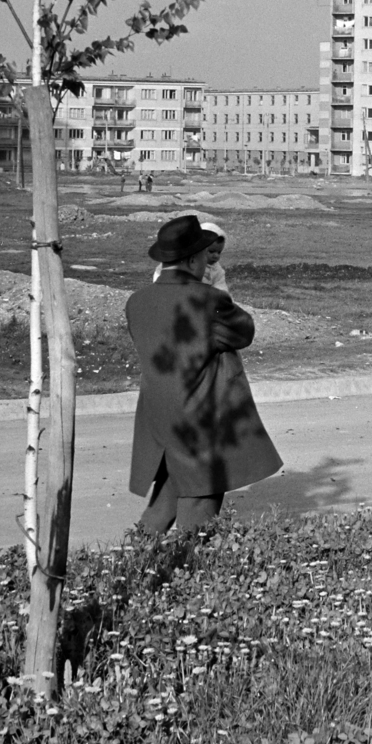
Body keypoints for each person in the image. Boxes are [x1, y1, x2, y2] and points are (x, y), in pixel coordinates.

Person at [125, 214, 282, 536]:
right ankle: (190, 572)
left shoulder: (136, 302)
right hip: (203, 420)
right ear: (194, 259)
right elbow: (243, 332)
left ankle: (134, 562)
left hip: (158, 415)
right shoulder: (209, 300)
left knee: (166, 498)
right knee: (199, 512)